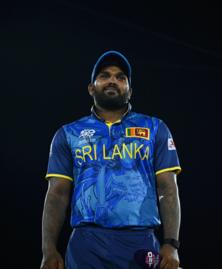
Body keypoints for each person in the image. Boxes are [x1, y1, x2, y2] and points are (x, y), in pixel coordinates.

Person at [40, 50, 182, 269]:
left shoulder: (155, 129)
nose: (113, 80)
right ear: (91, 88)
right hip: (86, 244)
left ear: (130, 90)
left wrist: (171, 244)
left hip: (140, 243)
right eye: (105, 75)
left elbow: (168, 190)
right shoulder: (68, 134)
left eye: (121, 77)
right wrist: (48, 250)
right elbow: (57, 195)